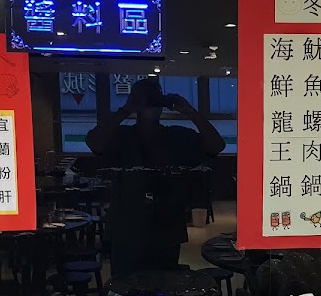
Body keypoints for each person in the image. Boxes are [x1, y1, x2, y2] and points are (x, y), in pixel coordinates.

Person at [87, 77, 225, 276]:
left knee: (164, 282)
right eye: (146, 99)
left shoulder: (177, 136)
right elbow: (94, 143)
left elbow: (216, 146)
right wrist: (126, 109)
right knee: (127, 284)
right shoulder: (122, 136)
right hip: (129, 226)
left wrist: (189, 111)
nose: (151, 104)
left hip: (165, 226)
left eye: (155, 99)